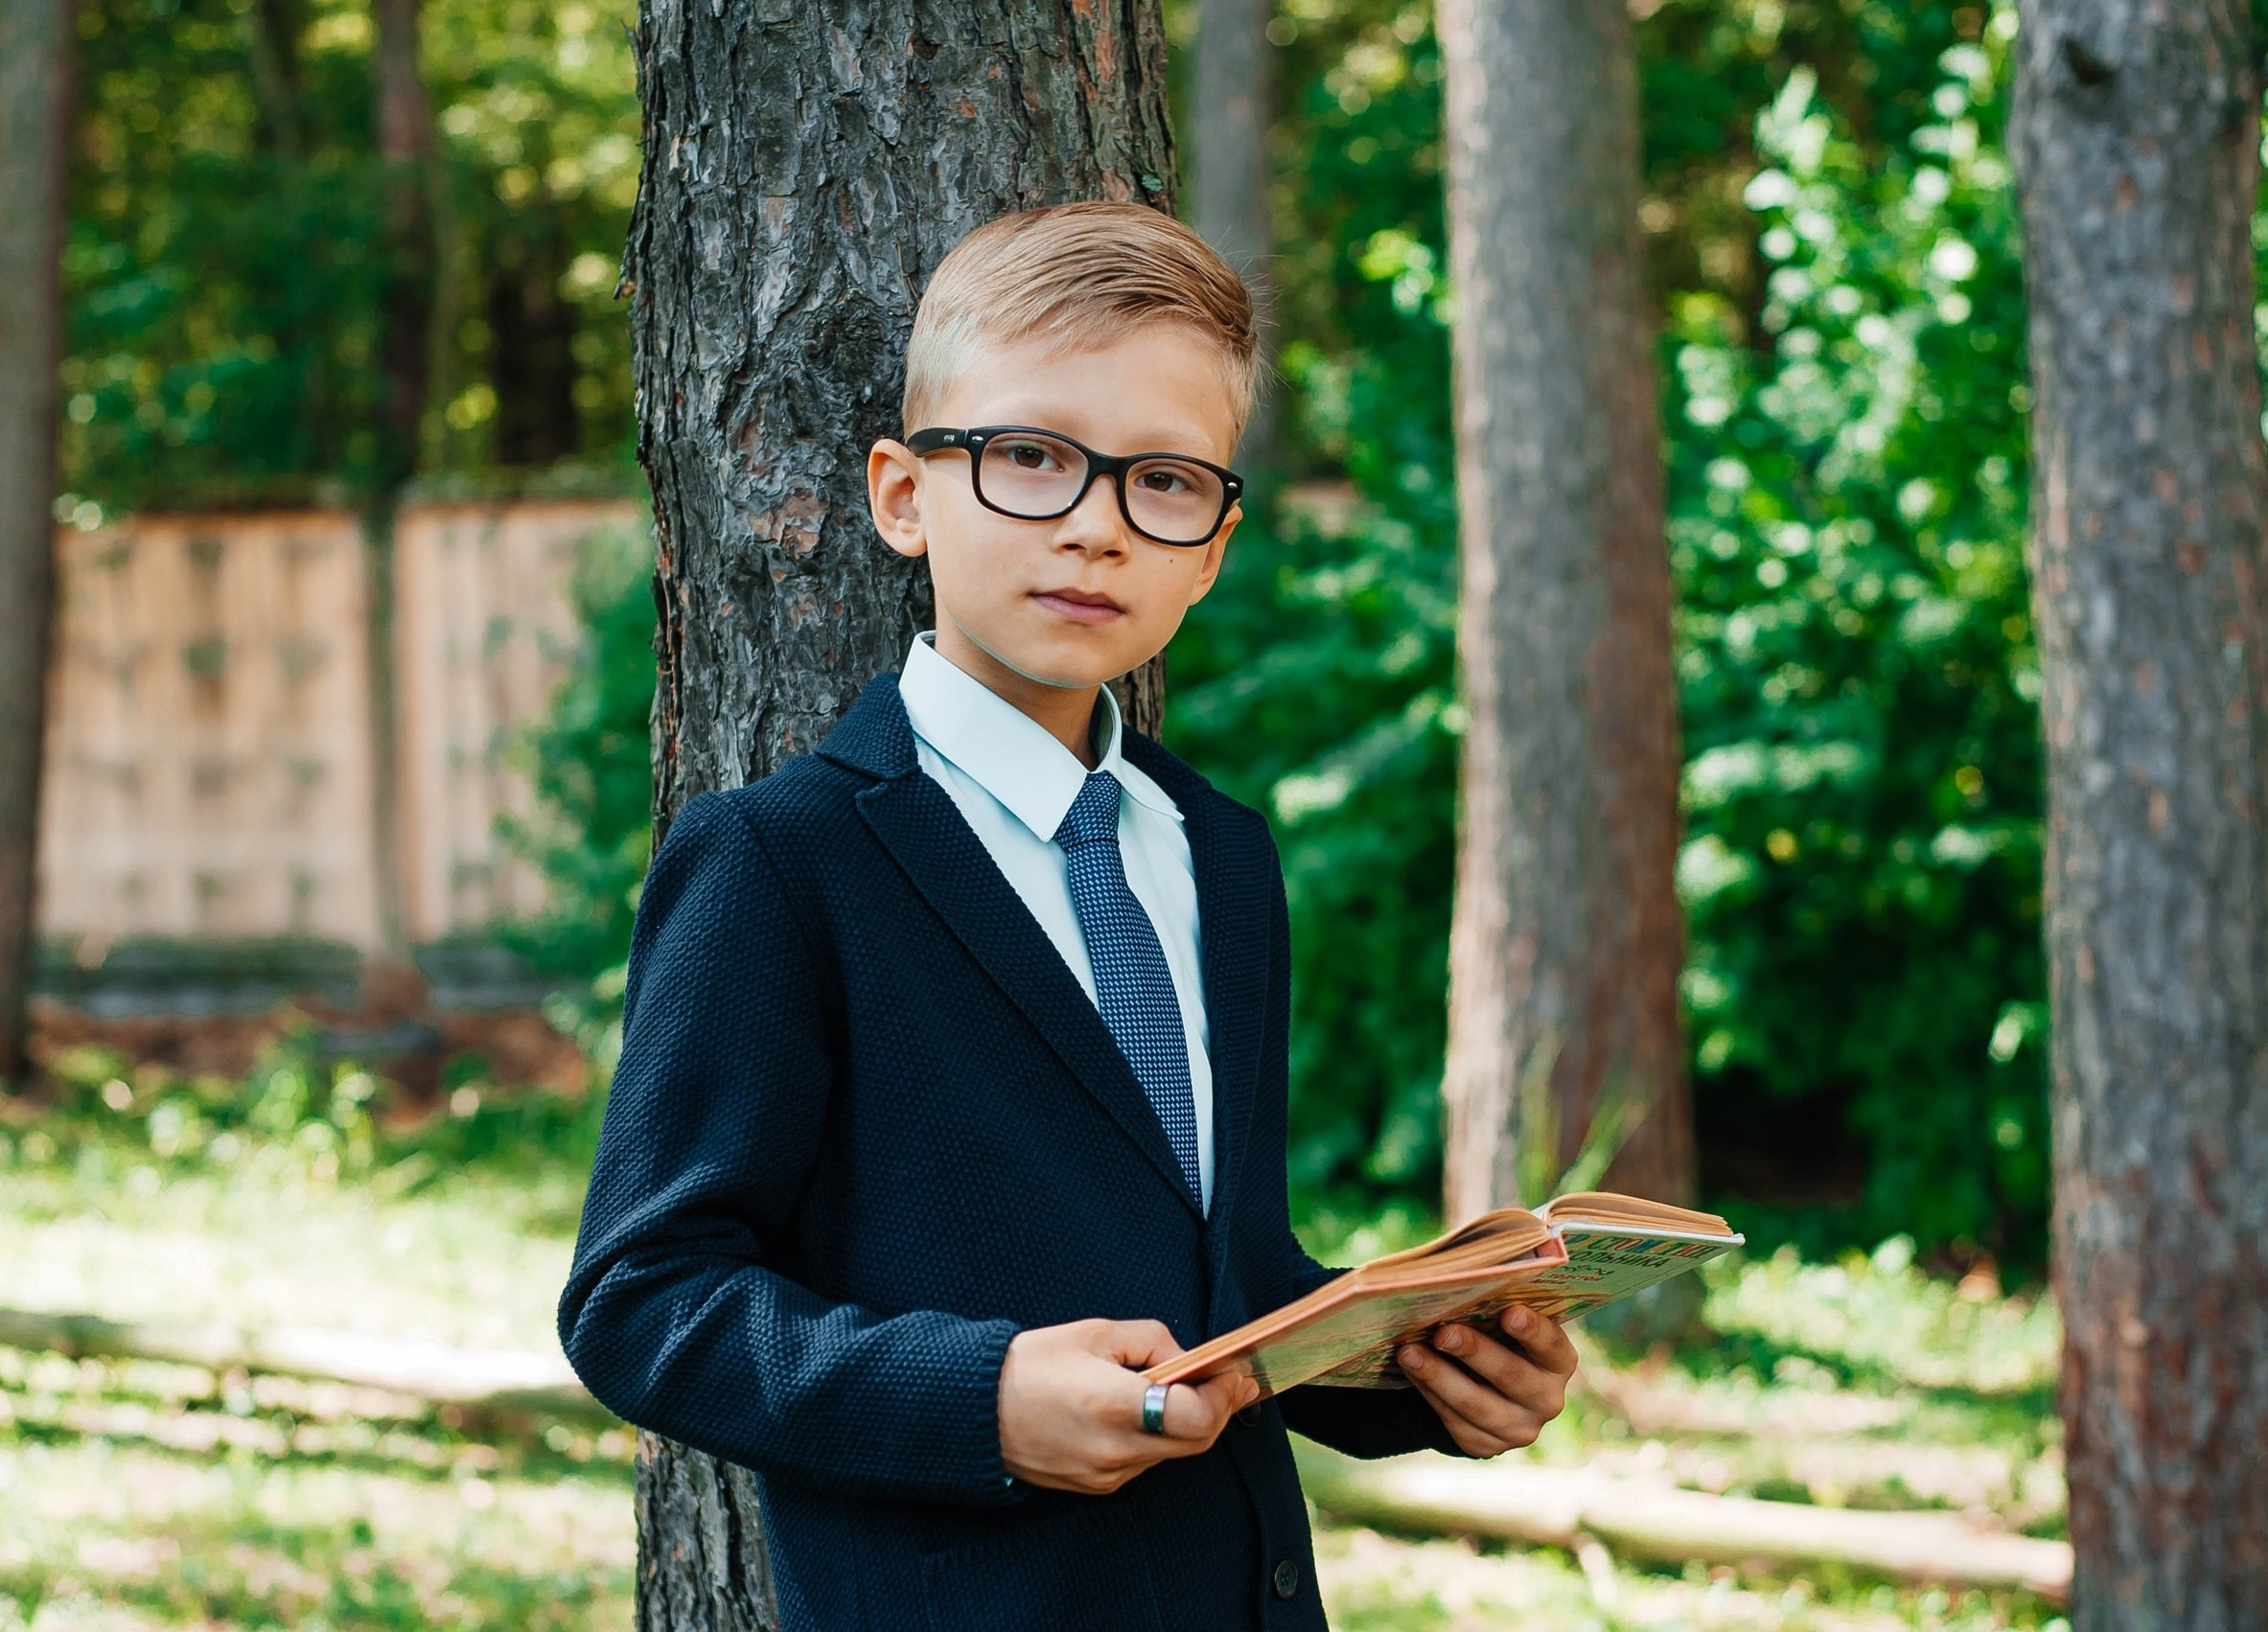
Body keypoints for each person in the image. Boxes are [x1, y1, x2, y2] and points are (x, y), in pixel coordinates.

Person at [559, 201, 1577, 1632]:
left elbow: (1226, 1280)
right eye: (1030, 456)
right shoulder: (780, 864)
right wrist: (978, 1399)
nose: (1096, 526)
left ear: (1211, 546)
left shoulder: (1220, 853)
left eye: (1163, 480)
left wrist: (1422, 1377)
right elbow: (642, 1301)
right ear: (905, 495)